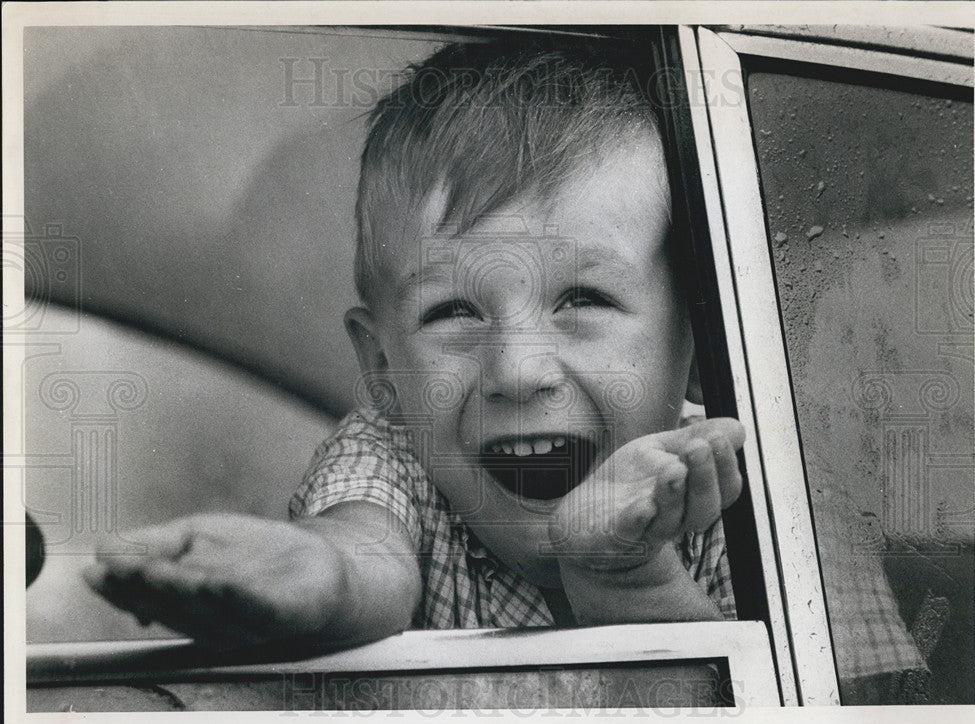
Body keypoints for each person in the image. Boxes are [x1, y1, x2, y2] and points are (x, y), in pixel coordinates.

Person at [83, 41, 746, 649]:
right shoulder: (393, 457)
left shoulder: (737, 496)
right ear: (382, 369)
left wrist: (626, 579)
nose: (516, 371)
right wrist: (310, 572)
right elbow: (368, 557)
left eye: (584, 300)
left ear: (701, 350)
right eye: (454, 310)